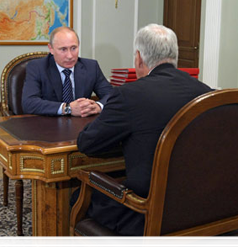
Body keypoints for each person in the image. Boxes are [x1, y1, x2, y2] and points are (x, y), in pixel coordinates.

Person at [75, 24, 212, 241]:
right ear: (174, 55)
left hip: (145, 215)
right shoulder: (206, 93)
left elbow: (87, 144)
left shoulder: (128, 95)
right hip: (201, 209)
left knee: (75, 197)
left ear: (139, 59)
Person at [22, 27, 113, 117]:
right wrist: (67, 108)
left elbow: (112, 95)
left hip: (82, 125)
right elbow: (29, 103)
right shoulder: (37, 67)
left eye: (73, 48)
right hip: (48, 125)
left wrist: (98, 106)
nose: (70, 56)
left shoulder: (91, 67)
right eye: (63, 49)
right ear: (51, 49)